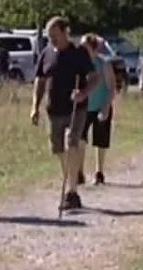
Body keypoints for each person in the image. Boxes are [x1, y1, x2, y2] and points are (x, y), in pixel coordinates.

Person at [30, 16, 100, 211]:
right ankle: (72, 178)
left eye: (55, 35)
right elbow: (40, 81)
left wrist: (83, 93)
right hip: (53, 109)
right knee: (58, 150)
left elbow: (95, 78)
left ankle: (72, 192)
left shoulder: (79, 53)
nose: (52, 39)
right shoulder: (46, 54)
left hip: (76, 108)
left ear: (65, 32)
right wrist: (35, 106)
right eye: (49, 36)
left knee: (72, 142)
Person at [78, 34, 117, 185]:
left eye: (85, 47)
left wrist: (106, 106)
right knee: (80, 140)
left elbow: (111, 87)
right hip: (84, 107)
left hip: (101, 105)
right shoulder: (79, 65)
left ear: (93, 48)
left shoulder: (103, 64)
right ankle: (79, 172)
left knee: (100, 140)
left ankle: (99, 171)